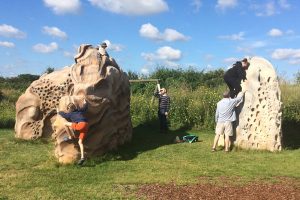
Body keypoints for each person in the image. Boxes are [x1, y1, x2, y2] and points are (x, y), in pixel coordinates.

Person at [58, 99, 88, 165]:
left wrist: (58, 111)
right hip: (85, 125)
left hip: (80, 125)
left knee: (65, 124)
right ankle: (82, 158)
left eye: (68, 109)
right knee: (80, 142)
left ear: (69, 109)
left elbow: (64, 115)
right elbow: (85, 107)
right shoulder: (80, 111)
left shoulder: (70, 114)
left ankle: (70, 136)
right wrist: (85, 102)